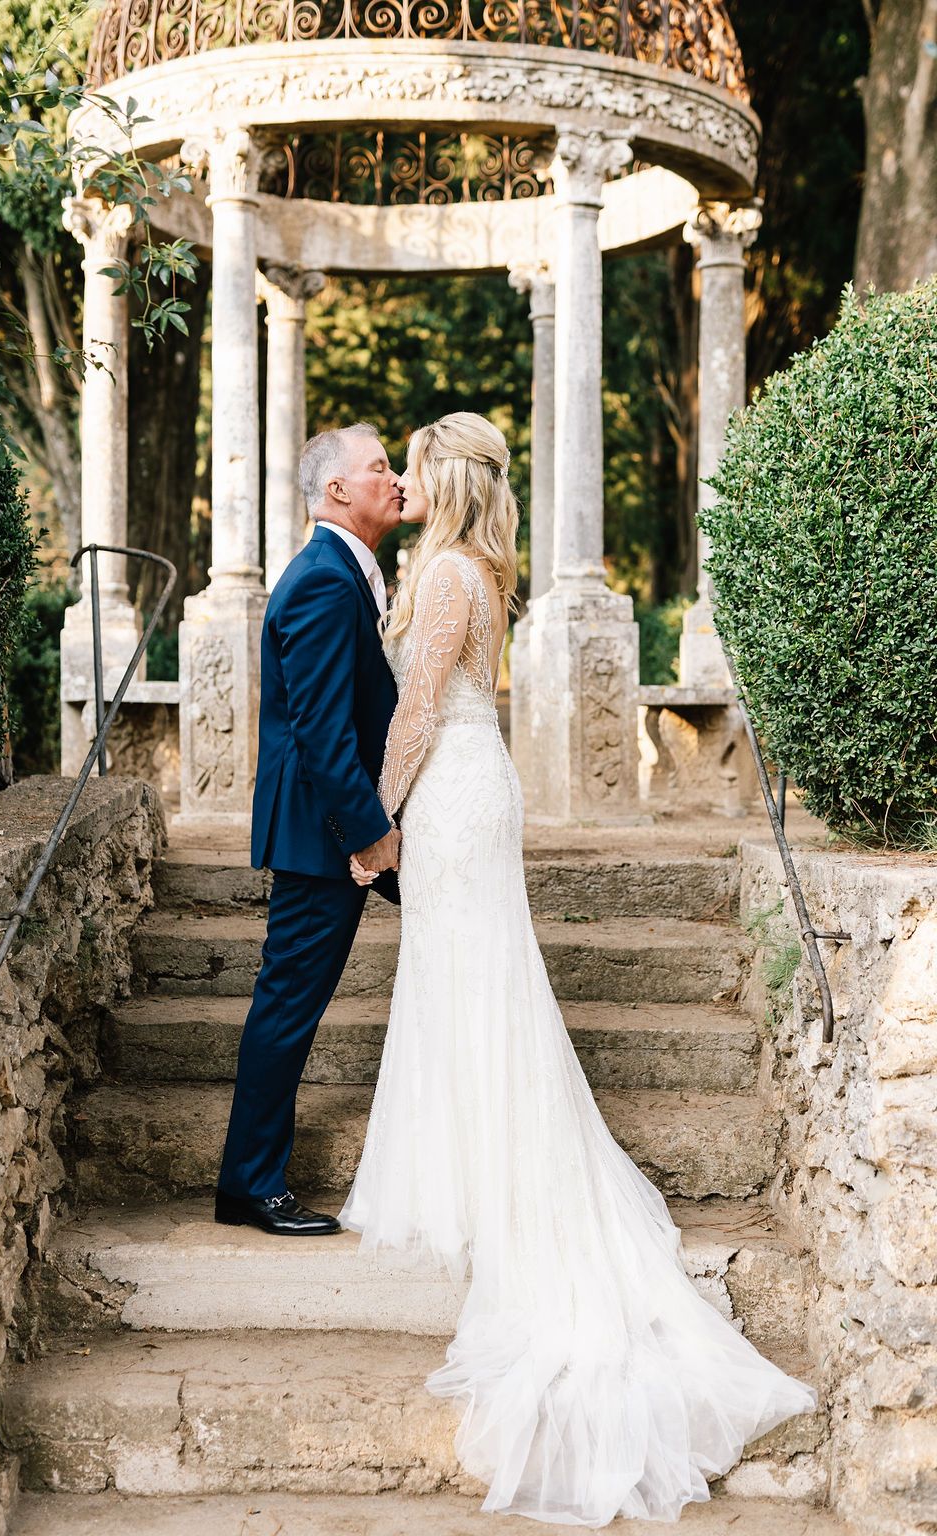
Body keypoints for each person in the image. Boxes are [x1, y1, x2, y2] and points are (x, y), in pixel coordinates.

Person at [339, 410, 818, 1527]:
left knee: (476, 984)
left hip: (452, 793)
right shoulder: (466, 565)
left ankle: (502, 1178)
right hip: (473, 788)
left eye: (410, 468)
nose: (400, 482)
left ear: (440, 481)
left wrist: (374, 818)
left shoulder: (450, 574)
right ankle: (469, 1159)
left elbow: (414, 710)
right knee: (465, 984)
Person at [215, 423, 403, 1236]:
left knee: (290, 1000)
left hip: (332, 828)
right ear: (337, 491)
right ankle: (251, 1183)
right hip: (321, 834)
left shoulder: (348, 573)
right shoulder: (324, 580)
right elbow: (324, 733)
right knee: (287, 1004)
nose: (394, 479)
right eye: (379, 467)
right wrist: (369, 836)